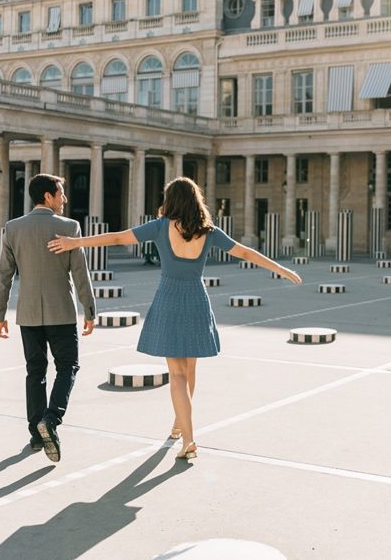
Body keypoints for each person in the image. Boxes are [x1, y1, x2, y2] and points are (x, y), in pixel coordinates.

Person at [48, 176, 302, 461]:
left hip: (169, 298)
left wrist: (76, 242)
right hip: (196, 299)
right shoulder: (208, 230)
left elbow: (118, 237)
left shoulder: (159, 227)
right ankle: (180, 424)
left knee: (177, 374)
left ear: (171, 200)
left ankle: (189, 439)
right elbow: (243, 251)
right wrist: (280, 268)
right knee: (190, 371)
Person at [0, 174, 96, 463]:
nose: (64, 198)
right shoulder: (69, 227)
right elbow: (80, 273)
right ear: (48, 196)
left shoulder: (13, 228)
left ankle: (36, 433)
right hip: (61, 312)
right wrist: (89, 309)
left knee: (35, 371)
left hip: (27, 314)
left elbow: (4, 275)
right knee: (68, 366)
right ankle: (51, 420)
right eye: (61, 193)